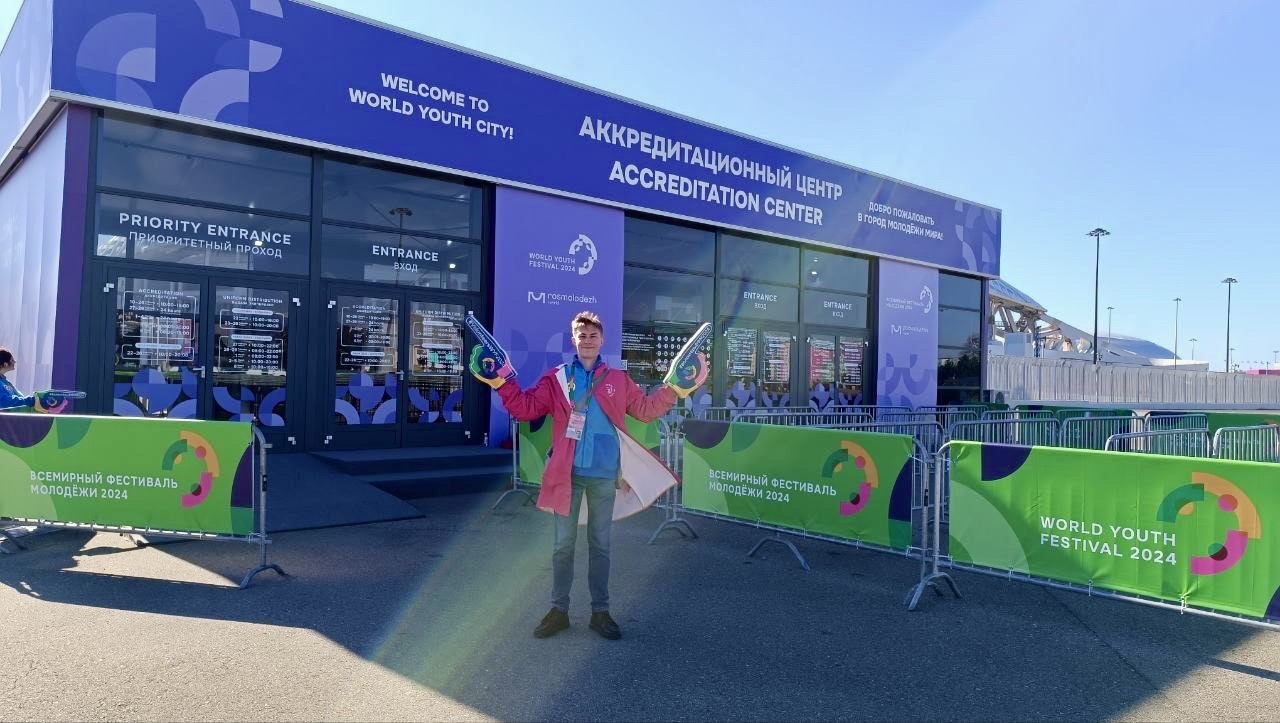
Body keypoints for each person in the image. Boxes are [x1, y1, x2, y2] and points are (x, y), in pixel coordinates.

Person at [470, 311, 706, 640]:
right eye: (582, 335)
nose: (588, 340)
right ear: (573, 340)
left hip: (604, 476)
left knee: (601, 546)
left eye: (593, 335)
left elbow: (646, 410)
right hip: (567, 475)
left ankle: (600, 612)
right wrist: (501, 381)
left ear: (602, 340)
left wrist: (676, 388)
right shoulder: (557, 378)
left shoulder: (618, 380)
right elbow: (526, 409)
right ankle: (558, 611)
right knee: (562, 547)